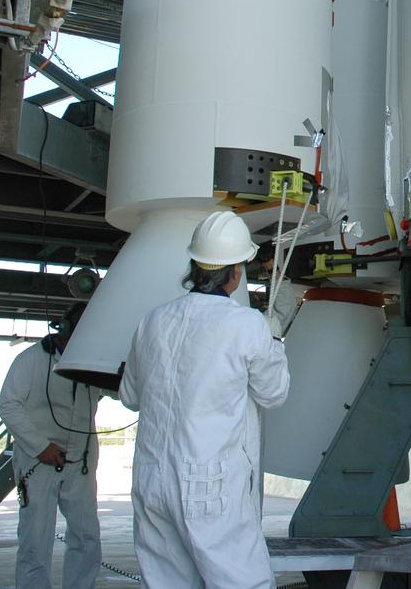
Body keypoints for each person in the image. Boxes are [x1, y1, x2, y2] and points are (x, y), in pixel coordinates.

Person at [120, 210, 289, 588]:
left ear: (195, 265)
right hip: (207, 484)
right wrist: (273, 340)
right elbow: (274, 392)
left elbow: (130, 396)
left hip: (151, 480)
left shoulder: (152, 321)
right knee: (243, 582)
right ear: (235, 271)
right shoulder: (246, 325)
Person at [0, 304, 105, 589]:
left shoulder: (92, 361)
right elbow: (8, 404)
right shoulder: (31, 359)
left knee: (86, 535)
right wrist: (39, 445)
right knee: (36, 538)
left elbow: (123, 393)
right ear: (66, 329)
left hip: (79, 464)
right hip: (39, 462)